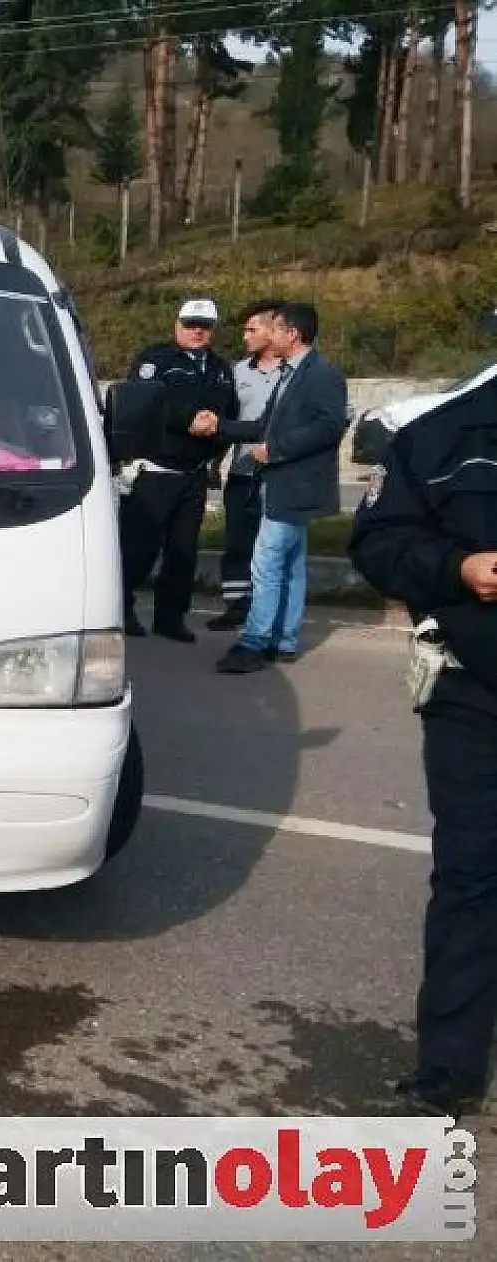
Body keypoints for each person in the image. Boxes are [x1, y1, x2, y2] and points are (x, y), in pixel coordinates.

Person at [348, 365, 497, 1119]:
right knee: (471, 879)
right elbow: (377, 543)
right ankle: (448, 1073)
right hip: (475, 691)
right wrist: (459, 567)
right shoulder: (443, 434)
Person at [214, 303, 349, 672]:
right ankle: (284, 640)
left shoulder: (321, 375)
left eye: (274, 328)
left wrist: (276, 450)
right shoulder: (292, 373)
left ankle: (254, 642)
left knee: (266, 563)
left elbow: (329, 426)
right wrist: (220, 426)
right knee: (289, 564)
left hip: (295, 485)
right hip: (281, 484)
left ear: (292, 334)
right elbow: (262, 424)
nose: (268, 334)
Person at [117, 298, 239, 642]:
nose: (197, 331)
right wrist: (189, 421)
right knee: (139, 549)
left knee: (183, 552)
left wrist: (216, 431)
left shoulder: (220, 369)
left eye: (204, 326)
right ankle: (122, 610)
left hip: (194, 473)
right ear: (177, 325)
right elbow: (144, 404)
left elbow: (229, 412)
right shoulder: (156, 360)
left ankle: (170, 618)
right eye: (190, 324)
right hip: (156, 470)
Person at [207, 298, 285, 630]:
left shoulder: (295, 372)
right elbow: (227, 422)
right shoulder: (236, 373)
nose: (246, 337)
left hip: (280, 475)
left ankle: (271, 615)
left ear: (274, 330)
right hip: (242, 473)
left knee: (274, 549)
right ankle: (236, 608)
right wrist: (215, 464)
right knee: (238, 543)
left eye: (252, 329)